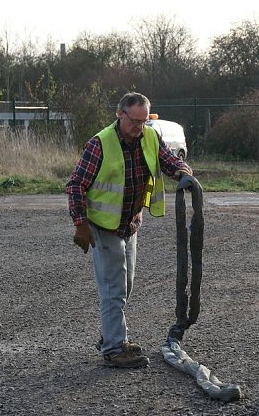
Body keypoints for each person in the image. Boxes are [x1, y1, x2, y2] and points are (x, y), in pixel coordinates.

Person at [66, 92, 192, 369]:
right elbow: (75, 184)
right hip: (104, 226)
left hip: (130, 224)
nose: (139, 127)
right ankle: (113, 349)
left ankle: (112, 336)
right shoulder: (99, 144)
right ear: (120, 114)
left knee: (125, 286)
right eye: (134, 121)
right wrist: (80, 223)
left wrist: (183, 171)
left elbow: (167, 160)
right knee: (113, 289)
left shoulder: (149, 136)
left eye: (144, 121)